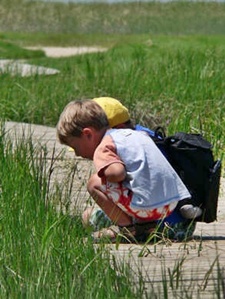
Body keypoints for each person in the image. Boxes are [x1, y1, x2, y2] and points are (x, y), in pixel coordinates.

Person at [57, 99, 195, 243]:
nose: (77, 154)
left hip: (148, 208)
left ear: (88, 134)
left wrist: (104, 171)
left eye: (76, 147)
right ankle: (144, 226)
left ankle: (127, 229)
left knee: (94, 183)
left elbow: (117, 173)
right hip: (171, 203)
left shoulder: (104, 146)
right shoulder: (140, 135)